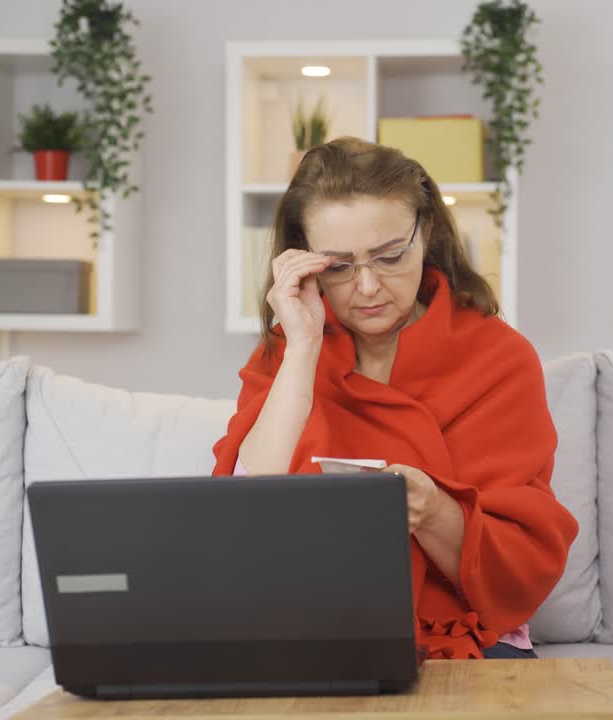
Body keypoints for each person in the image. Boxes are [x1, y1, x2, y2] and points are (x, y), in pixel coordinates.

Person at [213, 137, 578, 660]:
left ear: (425, 233)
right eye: (337, 266)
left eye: (389, 257)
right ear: (303, 259)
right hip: (308, 623)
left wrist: (433, 511)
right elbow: (239, 516)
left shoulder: (499, 357)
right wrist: (303, 349)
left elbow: (519, 569)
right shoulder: (288, 351)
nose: (367, 287)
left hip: (459, 630)